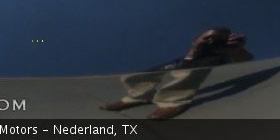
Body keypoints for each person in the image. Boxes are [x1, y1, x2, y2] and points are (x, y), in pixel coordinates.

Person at [103, 27, 252, 119]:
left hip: (206, 60)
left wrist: (238, 49)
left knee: (188, 73)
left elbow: (247, 61)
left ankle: (173, 101)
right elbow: (187, 60)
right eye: (208, 38)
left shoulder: (223, 53)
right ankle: (137, 96)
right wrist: (195, 48)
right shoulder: (197, 47)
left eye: (218, 38)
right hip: (186, 59)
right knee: (137, 77)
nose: (212, 42)